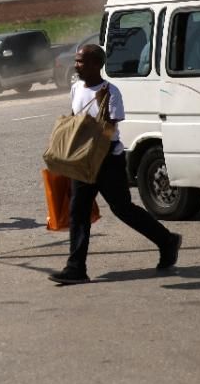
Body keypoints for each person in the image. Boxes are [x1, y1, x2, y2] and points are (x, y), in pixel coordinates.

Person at [49, 44, 181, 285]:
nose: (77, 65)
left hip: (108, 159)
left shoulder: (111, 92)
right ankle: (76, 267)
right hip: (82, 159)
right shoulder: (76, 88)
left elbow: (110, 131)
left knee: (123, 209)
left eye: (82, 62)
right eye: (77, 61)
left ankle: (167, 241)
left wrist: (96, 115)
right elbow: (74, 116)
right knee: (78, 211)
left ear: (97, 65)